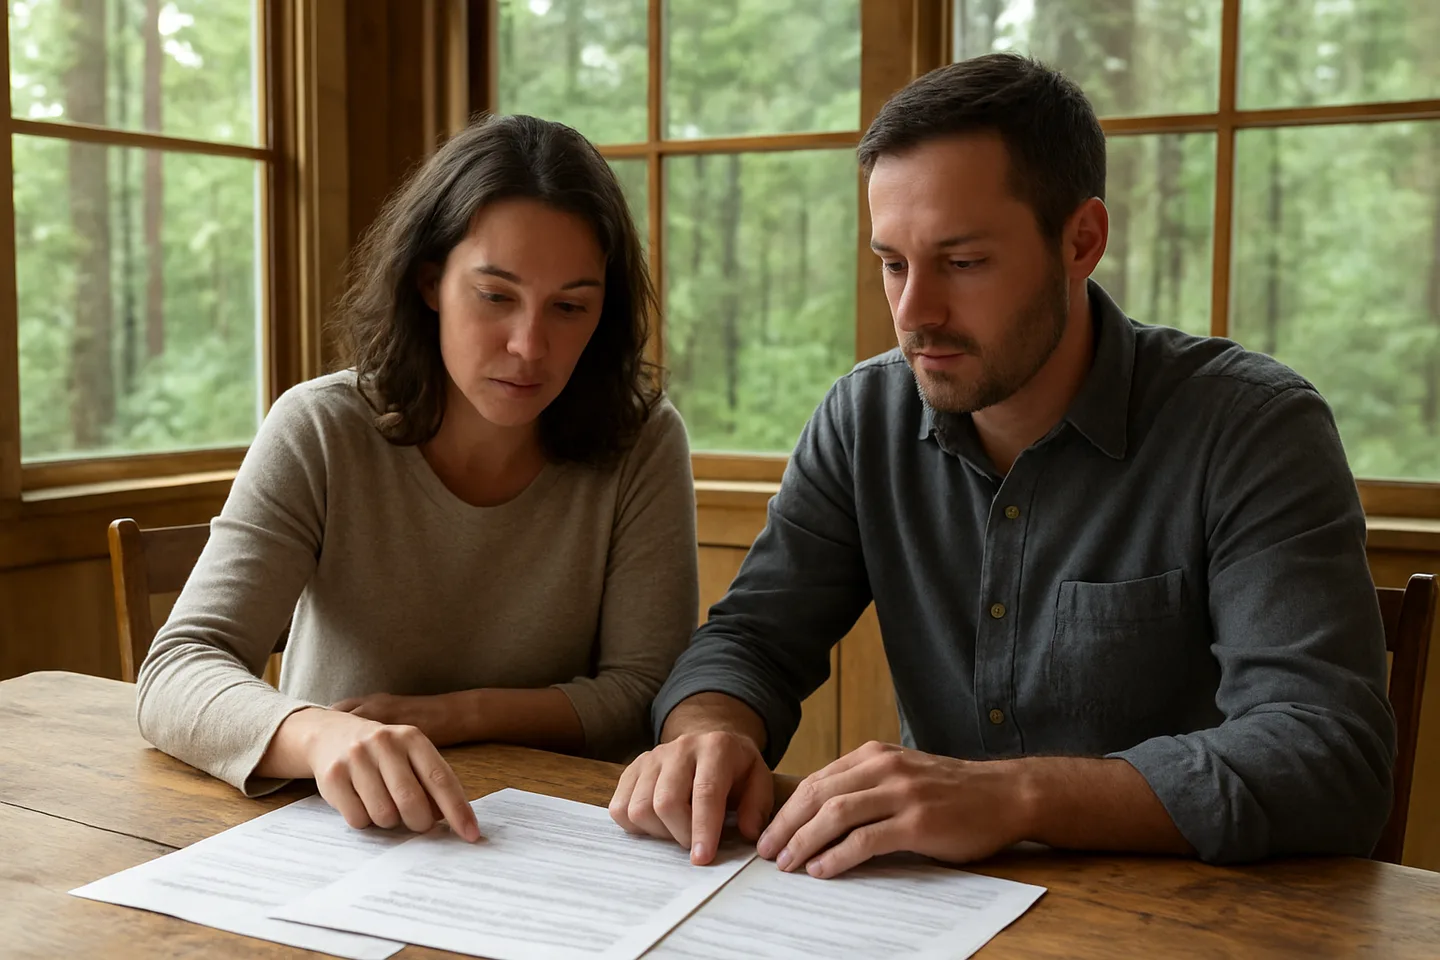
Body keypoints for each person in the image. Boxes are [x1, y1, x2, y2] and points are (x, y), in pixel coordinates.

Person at [610, 53, 1395, 877]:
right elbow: (755, 640)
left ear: (1081, 240)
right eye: (892, 262)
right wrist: (708, 732)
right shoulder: (864, 419)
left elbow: (1326, 754)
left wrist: (1010, 797)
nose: (914, 314)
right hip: (934, 913)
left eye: (963, 262)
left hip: (1185, 916)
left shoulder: (1252, 429)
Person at [138, 114, 699, 843]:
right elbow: (178, 670)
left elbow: (642, 691)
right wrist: (320, 736)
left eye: (569, 307)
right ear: (430, 279)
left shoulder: (643, 442)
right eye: (495, 295)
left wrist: (449, 715)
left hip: (559, 840)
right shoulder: (319, 428)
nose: (530, 346)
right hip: (333, 830)